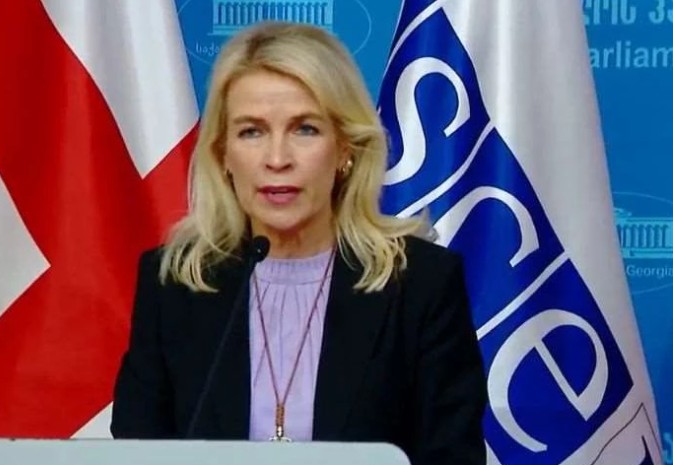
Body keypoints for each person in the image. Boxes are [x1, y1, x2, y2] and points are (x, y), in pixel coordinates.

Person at [110, 21, 487, 465]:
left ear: (345, 148)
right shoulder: (174, 283)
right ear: (223, 153)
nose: (277, 159)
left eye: (304, 129)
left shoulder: (420, 284)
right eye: (251, 131)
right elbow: (138, 450)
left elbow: (451, 455)